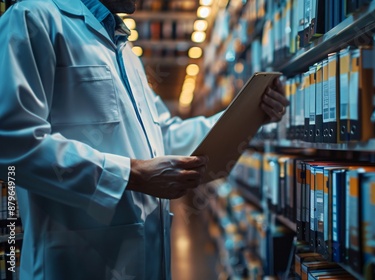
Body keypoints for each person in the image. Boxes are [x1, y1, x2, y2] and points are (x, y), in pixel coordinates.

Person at [0, 0, 289, 278]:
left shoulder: (126, 53)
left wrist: (250, 115)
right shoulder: (33, 18)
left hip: (147, 260)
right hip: (76, 263)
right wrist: (131, 175)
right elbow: (11, 143)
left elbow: (163, 136)